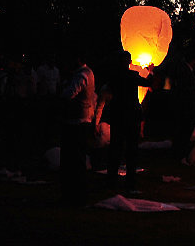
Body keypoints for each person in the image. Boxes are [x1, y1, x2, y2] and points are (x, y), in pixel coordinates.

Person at [104, 50, 151, 193]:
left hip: (118, 115)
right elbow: (148, 82)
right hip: (130, 116)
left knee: (115, 148)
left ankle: (111, 180)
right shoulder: (132, 76)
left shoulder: (113, 76)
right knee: (131, 150)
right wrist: (150, 71)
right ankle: (130, 181)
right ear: (129, 63)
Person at [59, 52, 95, 205]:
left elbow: (69, 94)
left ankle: (77, 193)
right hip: (81, 119)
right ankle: (77, 192)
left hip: (78, 121)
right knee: (77, 157)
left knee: (75, 157)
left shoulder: (82, 75)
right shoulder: (87, 73)